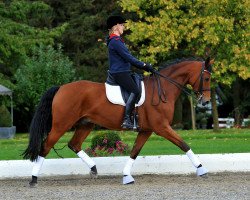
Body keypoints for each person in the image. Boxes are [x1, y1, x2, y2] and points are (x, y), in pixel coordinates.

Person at [106, 15, 155, 129]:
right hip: (119, 73)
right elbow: (129, 58)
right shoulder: (115, 41)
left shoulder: (117, 41)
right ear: (116, 26)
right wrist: (144, 65)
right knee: (135, 90)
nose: (124, 27)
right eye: (122, 25)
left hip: (123, 71)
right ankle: (127, 119)